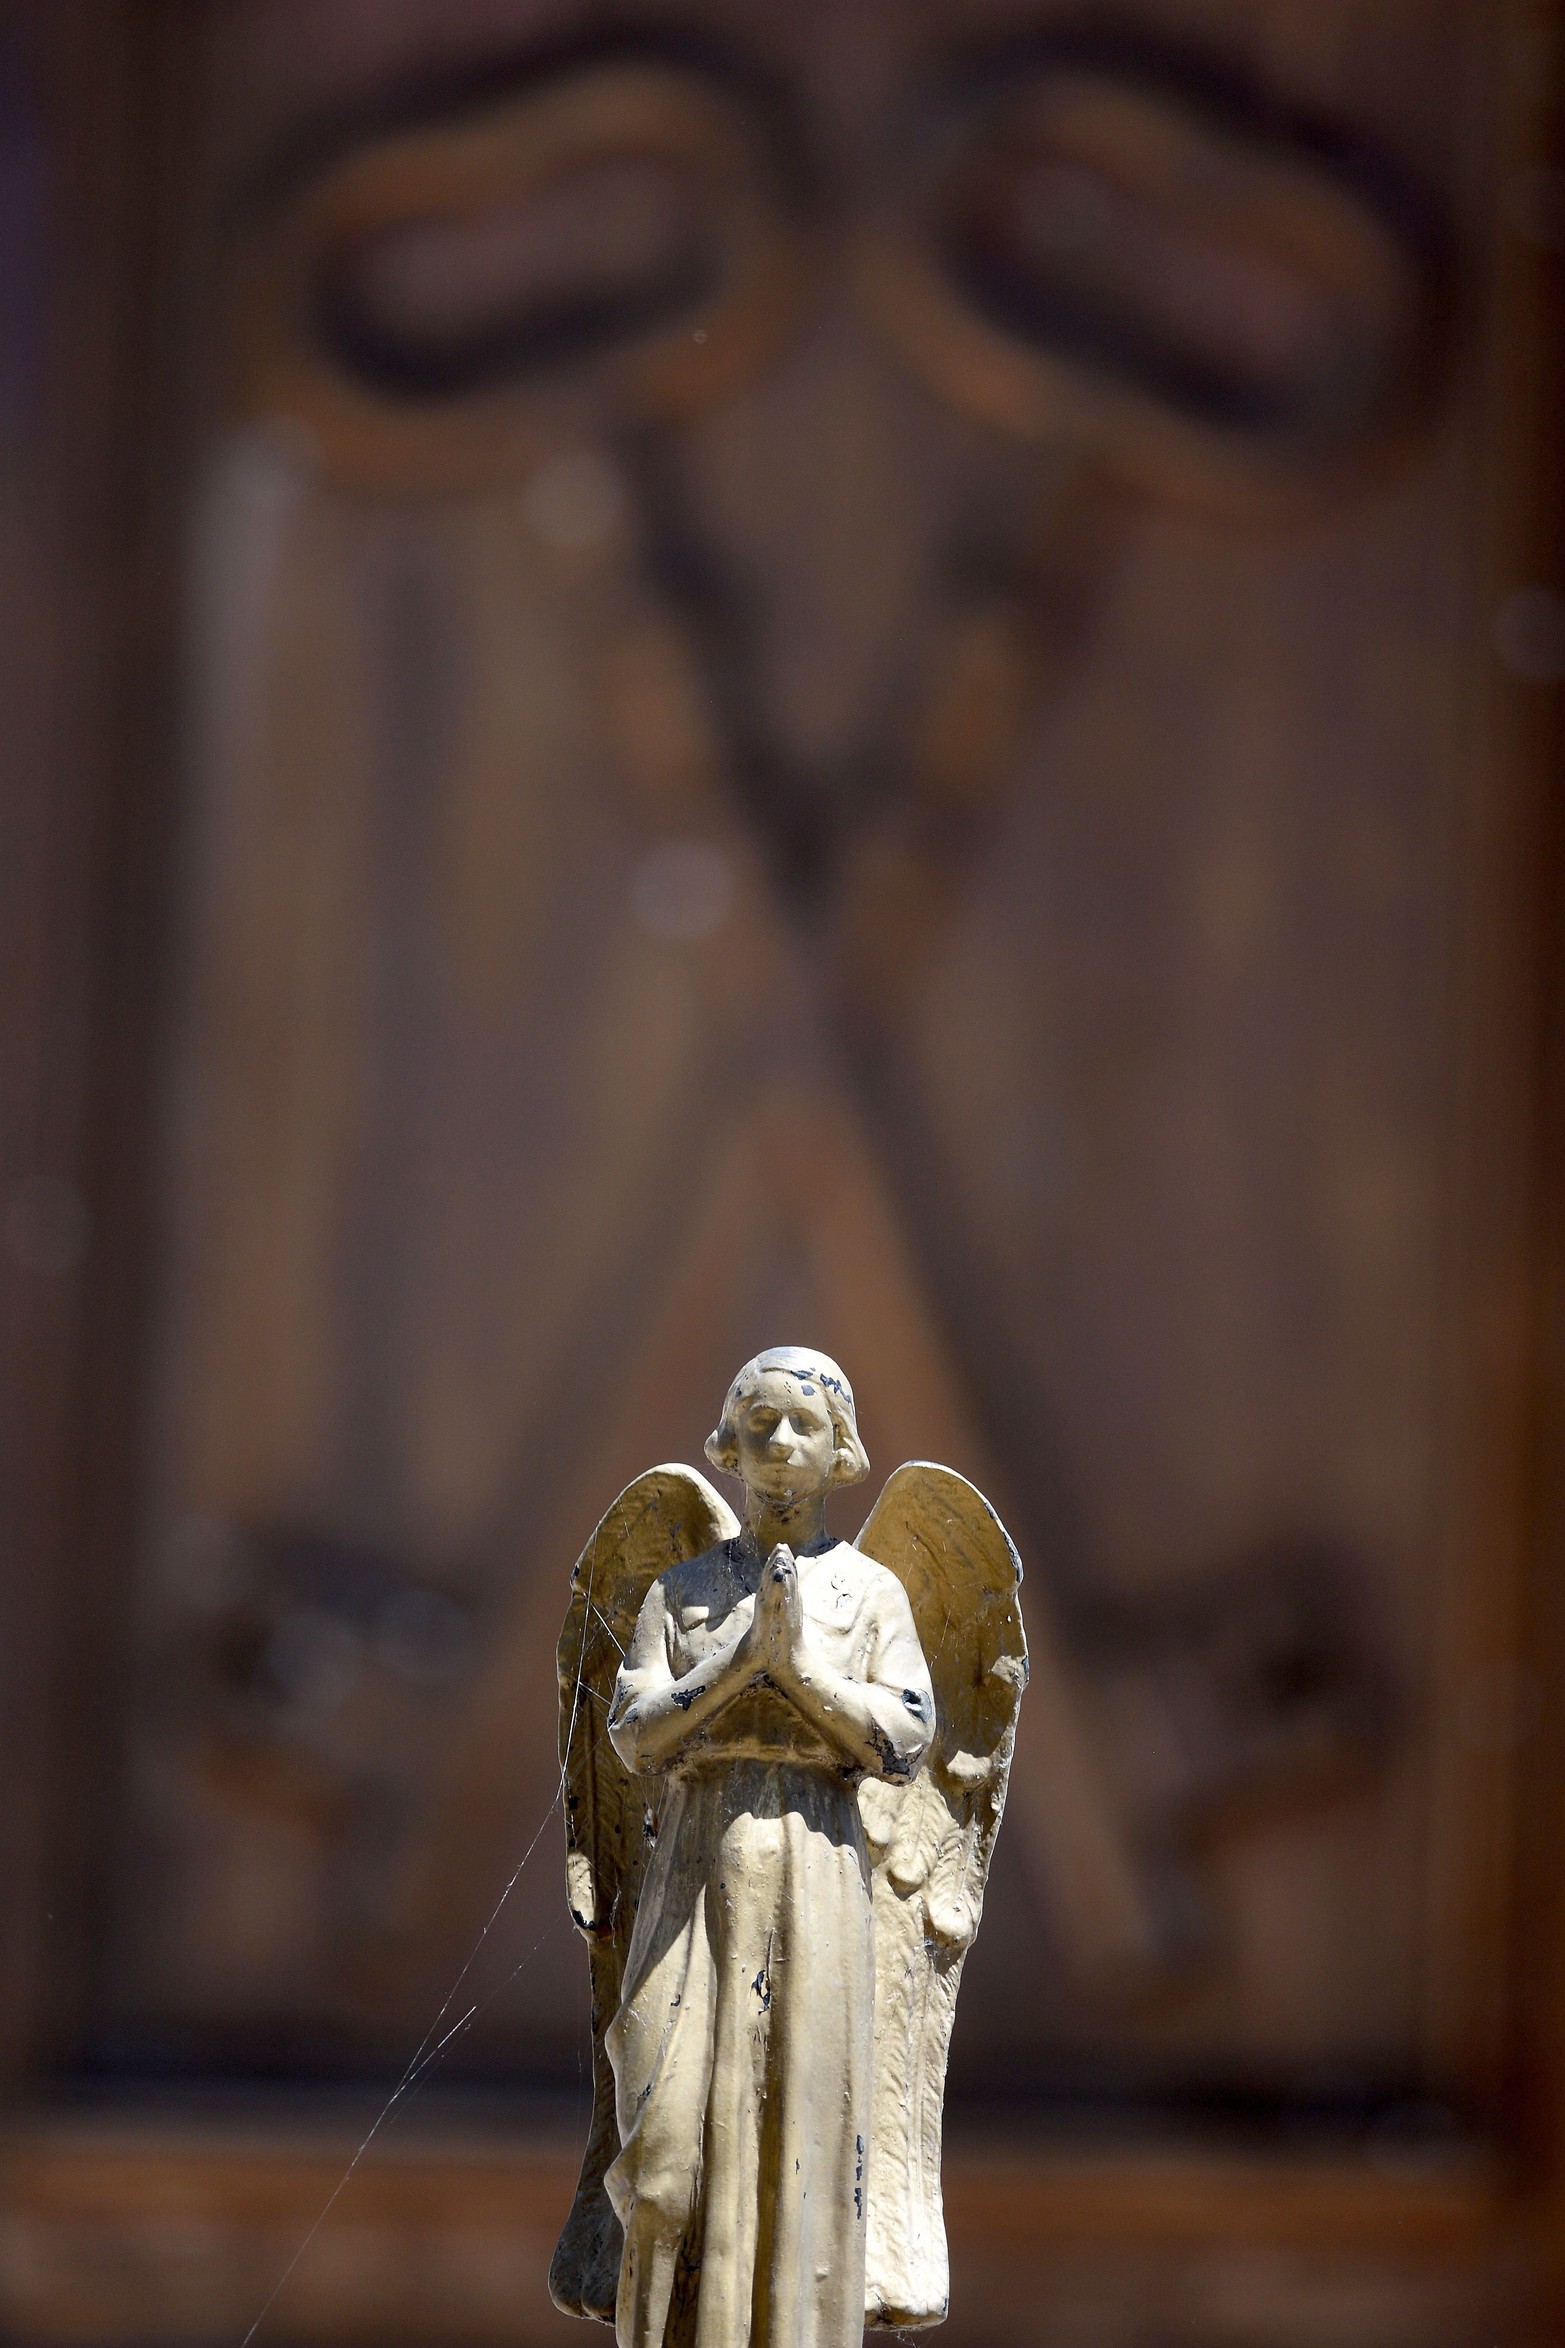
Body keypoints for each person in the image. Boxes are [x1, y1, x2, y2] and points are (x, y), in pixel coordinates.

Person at [604, 1347, 934, 2348]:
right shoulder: (683, 1588)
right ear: (728, 1444)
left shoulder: (869, 1592)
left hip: (812, 1872)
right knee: (662, 2166)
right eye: (760, 1423)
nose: (781, 1441)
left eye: (804, 1424)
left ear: (841, 1450)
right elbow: (633, 1733)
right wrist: (743, 1659)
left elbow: (905, 1736)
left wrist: (797, 1675)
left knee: (800, 2155)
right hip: (695, 1872)